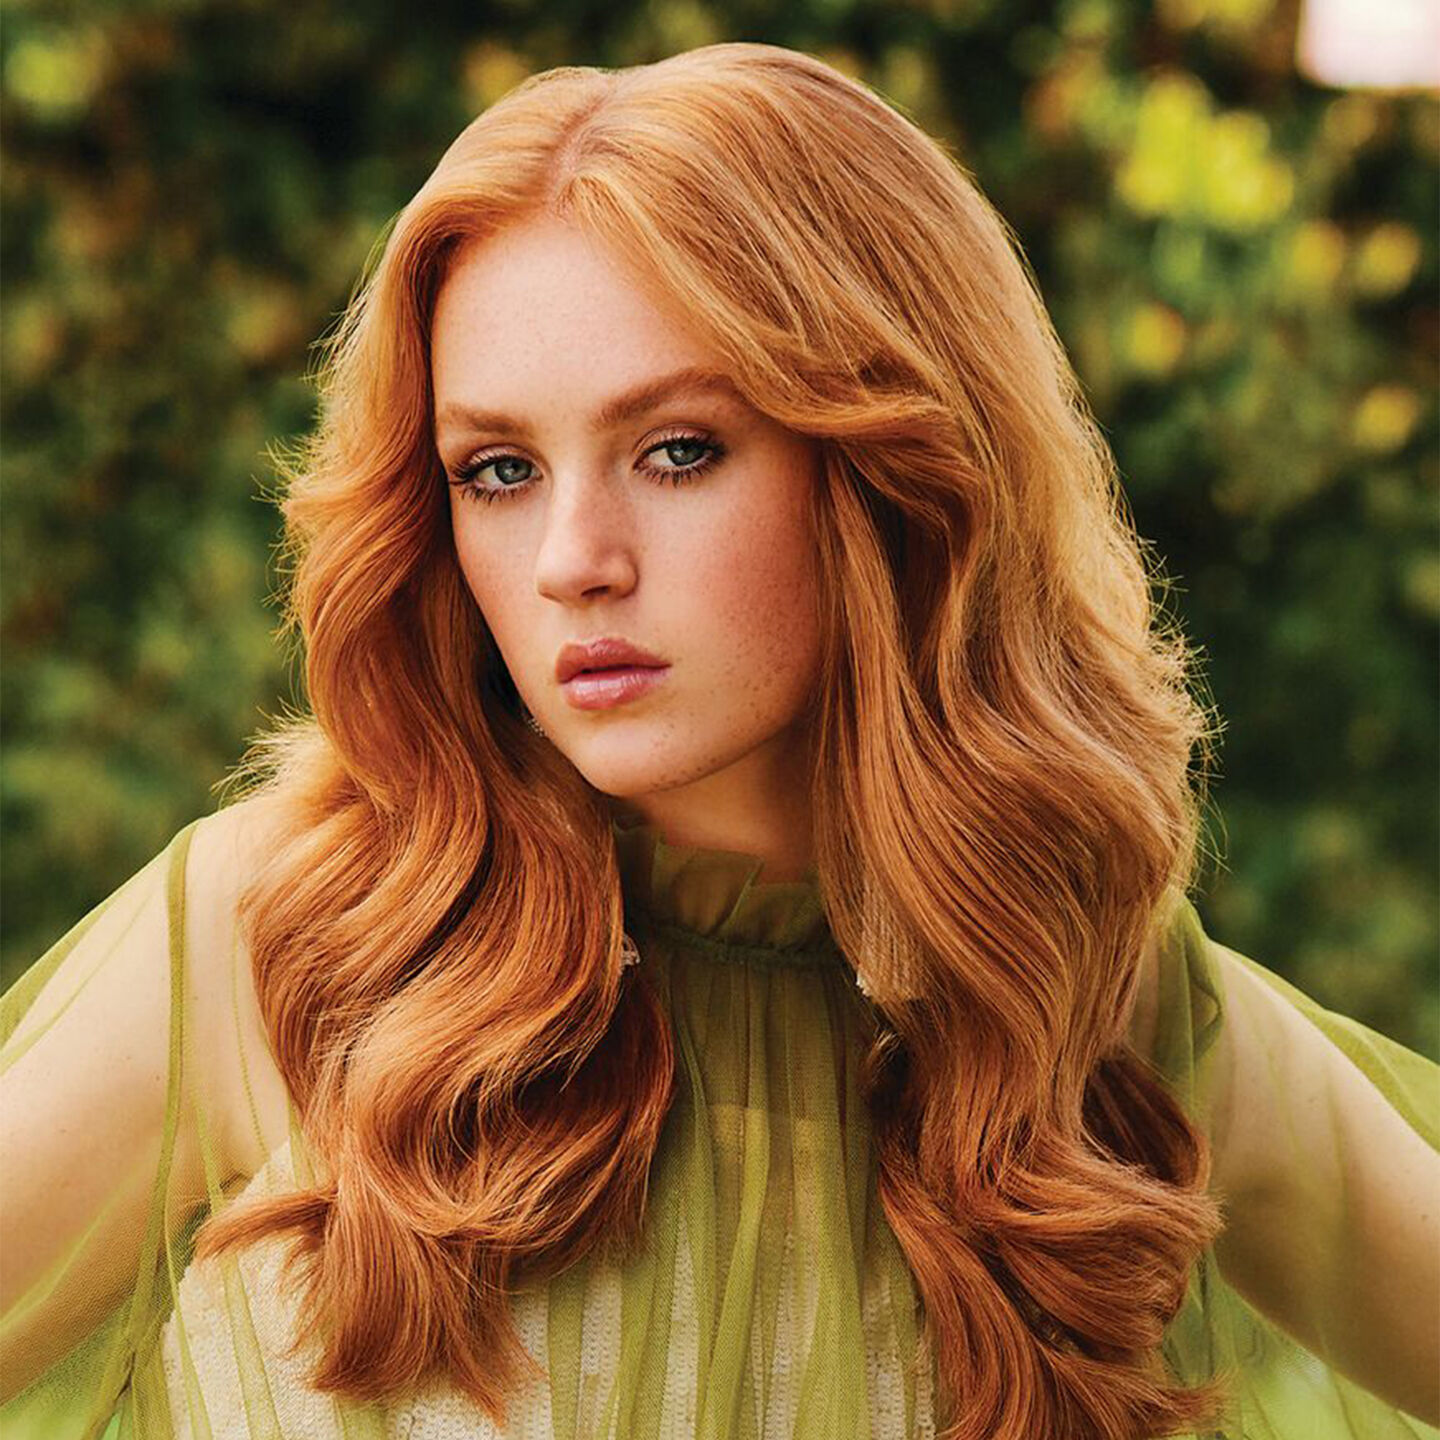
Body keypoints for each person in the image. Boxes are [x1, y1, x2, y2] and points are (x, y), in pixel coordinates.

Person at [1, 40, 1435, 1440]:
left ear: (895, 472)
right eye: (497, 471)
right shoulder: (287, 948)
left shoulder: (1089, 1008)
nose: (573, 558)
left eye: (679, 449)